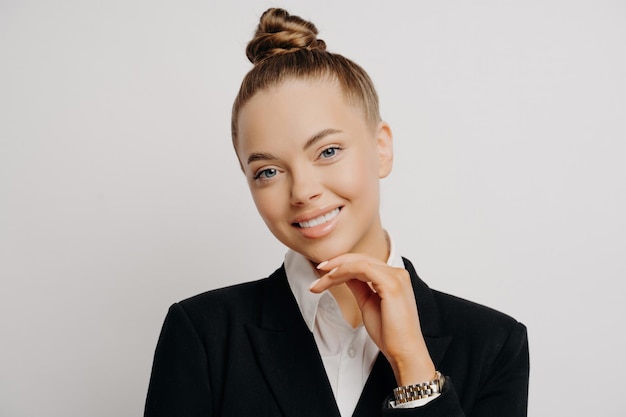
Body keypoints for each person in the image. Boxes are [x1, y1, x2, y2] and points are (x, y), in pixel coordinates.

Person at [144, 8, 529, 417]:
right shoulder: (203, 333)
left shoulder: (493, 342)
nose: (303, 192)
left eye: (328, 151)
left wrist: (413, 367)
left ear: (381, 148)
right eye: (268, 171)